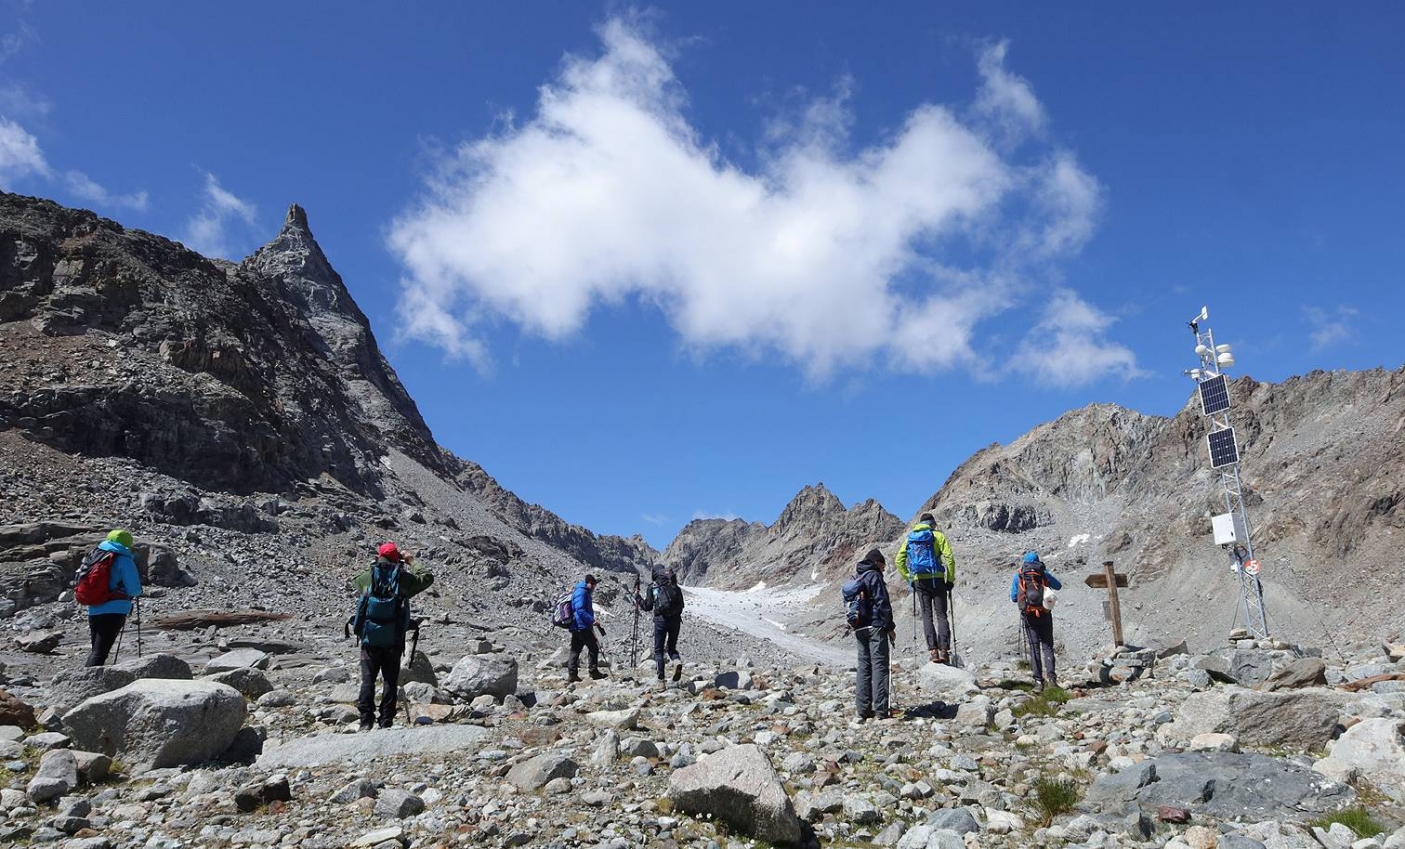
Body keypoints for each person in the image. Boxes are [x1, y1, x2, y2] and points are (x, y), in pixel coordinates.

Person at [351, 542, 434, 730]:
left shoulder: (367, 578)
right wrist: (411, 561)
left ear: (379, 556)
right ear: (398, 559)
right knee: (389, 679)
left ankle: (365, 721)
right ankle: (386, 720)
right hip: (394, 640)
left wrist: (373, 565)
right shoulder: (403, 580)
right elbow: (427, 577)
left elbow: (355, 580)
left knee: (368, 679)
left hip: (369, 640)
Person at [895, 512, 957, 664]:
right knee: (941, 614)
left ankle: (933, 652)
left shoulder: (910, 538)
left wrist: (909, 578)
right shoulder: (938, 536)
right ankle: (944, 650)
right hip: (937, 578)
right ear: (933, 524)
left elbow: (898, 561)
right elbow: (949, 558)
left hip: (919, 581)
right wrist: (949, 579)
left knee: (926, 615)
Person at [84, 529, 143, 667]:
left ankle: (88, 680)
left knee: (96, 650)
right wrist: (139, 591)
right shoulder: (124, 560)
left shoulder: (94, 556)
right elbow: (134, 589)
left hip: (94, 607)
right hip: (115, 609)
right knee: (100, 652)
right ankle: (89, 683)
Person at [851, 548, 896, 721]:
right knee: (879, 666)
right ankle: (881, 710)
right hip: (875, 627)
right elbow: (882, 602)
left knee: (864, 667)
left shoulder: (858, 576)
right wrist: (890, 626)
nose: (883, 570)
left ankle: (863, 710)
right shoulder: (874, 576)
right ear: (877, 562)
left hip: (859, 628)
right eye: (883, 567)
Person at [1011, 551, 1062, 690]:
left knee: (1034, 648)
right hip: (1045, 613)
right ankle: (1052, 679)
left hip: (1028, 615)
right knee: (1047, 646)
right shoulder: (1043, 574)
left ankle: (1038, 681)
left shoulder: (1020, 575)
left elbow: (1014, 597)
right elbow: (1058, 586)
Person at [635, 565, 685, 691]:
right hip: (675, 621)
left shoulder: (653, 586)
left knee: (658, 651)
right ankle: (676, 661)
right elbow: (682, 605)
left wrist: (637, 597)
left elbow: (647, 606)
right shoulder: (674, 585)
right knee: (671, 648)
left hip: (660, 621)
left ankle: (661, 682)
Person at [567, 573, 607, 683]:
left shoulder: (579, 591)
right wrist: (592, 620)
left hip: (576, 625)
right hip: (582, 625)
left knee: (575, 649)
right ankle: (593, 672)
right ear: (589, 583)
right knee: (594, 648)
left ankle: (572, 674)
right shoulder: (582, 592)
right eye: (593, 585)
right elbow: (580, 609)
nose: (594, 588)